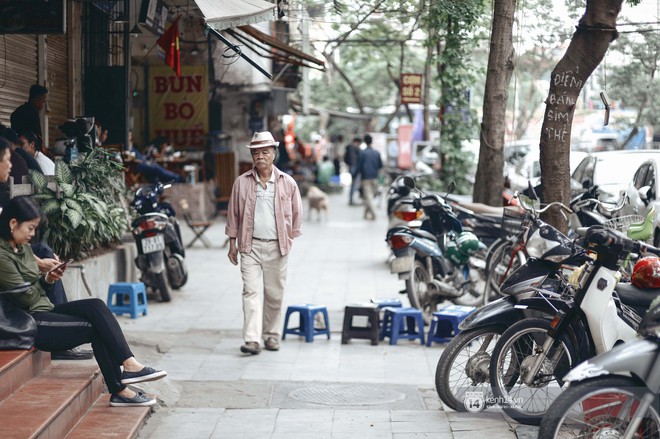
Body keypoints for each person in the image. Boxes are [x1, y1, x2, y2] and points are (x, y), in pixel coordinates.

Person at [0, 196, 167, 406]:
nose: (32, 234)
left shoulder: (22, 247)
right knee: (95, 328)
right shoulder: (2, 256)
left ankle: (130, 365)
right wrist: (46, 279)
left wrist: (48, 278)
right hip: (29, 322)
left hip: (44, 309)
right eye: (30, 228)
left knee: (96, 305)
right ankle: (120, 390)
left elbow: (35, 290)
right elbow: (26, 298)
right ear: (13, 223)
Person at [225, 131, 303, 355]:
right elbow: (234, 214)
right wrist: (233, 243)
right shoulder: (242, 183)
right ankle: (252, 340)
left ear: (274, 154)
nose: (260, 156)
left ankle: (271, 335)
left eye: (265, 152)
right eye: (256, 152)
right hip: (250, 246)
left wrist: (289, 238)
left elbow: (297, 212)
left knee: (274, 294)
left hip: (278, 246)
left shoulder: (287, 183)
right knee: (250, 291)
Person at [356, 134, 382, 221]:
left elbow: (359, 166)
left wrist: (356, 175)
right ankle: (365, 214)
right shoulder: (376, 153)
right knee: (370, 196)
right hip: (374, 177)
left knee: (368, 196)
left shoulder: (362, 153)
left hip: (365, 178)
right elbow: (380, 166)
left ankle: (374, 214)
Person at [344, 137, 361, 205]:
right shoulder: (356, 149)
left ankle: (351, 199)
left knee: (354, 184)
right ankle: (351, 199)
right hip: (355, 168)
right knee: (355, 184)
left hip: (352, 167)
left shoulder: (349, 148)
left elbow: (345, 159)